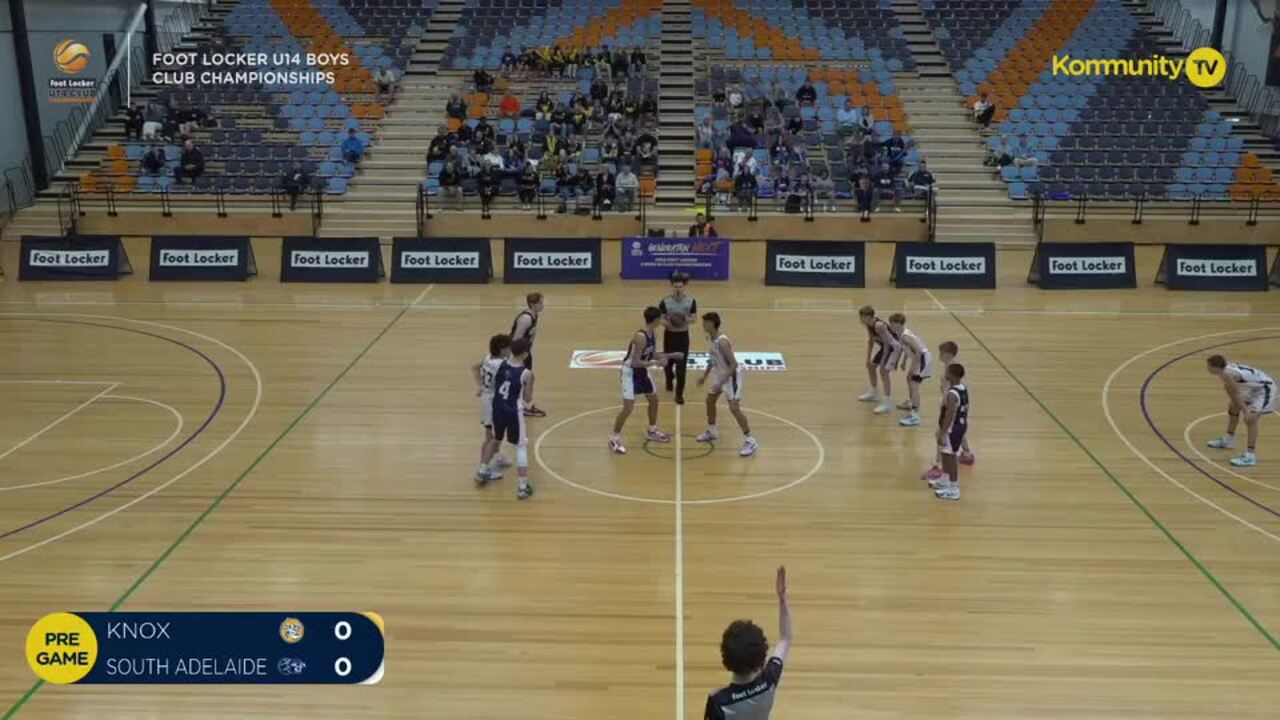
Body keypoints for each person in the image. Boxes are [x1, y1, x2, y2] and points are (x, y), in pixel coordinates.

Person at [705, 566, 791, 720]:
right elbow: (785, 639)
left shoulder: (719, 701)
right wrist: (782, 599)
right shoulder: (768, 681)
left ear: (726, 659)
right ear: (761, 660)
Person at [609, 306, 685, 454]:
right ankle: (614, 437)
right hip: (630, 372)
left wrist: (671, 355)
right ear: (656, 320)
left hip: (642, 371)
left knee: (654, 400)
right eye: (661, 319)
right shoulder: (640, 337)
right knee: (628, 408)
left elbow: (651, 354)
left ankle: (652, 430)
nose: (662, 321)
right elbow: (635, 362)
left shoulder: (653, 334)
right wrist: (657, 363)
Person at [695, 312, 757, 457]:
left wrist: (721, 383)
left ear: (711, 324)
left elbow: (734, 364)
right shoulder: (710, 338)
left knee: (734, 408)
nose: (703, 325)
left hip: (731, 378)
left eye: (705, 323)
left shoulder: (722, 342)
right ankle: (712, 430)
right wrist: (704, 376)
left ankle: (750, 440)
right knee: (710, 401)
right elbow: (712, 359)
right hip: (720, 376)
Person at [1206, 354, 1274, 467]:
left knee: (1250, 419)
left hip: (1264, 389)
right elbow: (1232, 394)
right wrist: (1241, 406)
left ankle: (1250, 456)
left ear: (1216, 367)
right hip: (1252, 387)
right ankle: (1228, 440)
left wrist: (1245, 410)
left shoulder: (1228, 374)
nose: (1207, 368)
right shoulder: (1224, 372)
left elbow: (1235, 393)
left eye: (1209, 366)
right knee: (1233, 406)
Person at [490, 338, 536, 500]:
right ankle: (522, 486)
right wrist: (531, 384)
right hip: (512, 410)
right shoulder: (526, 373)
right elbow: (528, 398)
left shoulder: (499, 364)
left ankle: (491, 469)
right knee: (521, 446)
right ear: (525, 354)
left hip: (497, 407)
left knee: (497, 439)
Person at [923, 342, 975, 482]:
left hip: (950, 405)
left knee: (941, 434)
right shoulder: (951, 367)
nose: (939, 356)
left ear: (949, 354)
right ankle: (967, 453)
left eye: (942, 353)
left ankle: (938, 466)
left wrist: (946, 404)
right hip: (954, 405)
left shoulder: (951, 370)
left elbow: (949, 390)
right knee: (959, 429)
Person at [471, 334, 513, 484]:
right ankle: (483, 469)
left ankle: (496, 457)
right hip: (493, 403)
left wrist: (480, 386)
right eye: (509, 348)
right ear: (502, 350)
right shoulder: (501, 365)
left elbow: (475, 368)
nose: (511, 350)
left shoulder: (489, 357)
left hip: (488, 399)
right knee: (491, 438)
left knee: (497, 434)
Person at [929, 363, 970, 501]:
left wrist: (943, 431)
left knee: (951, 457)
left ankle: (954, 488)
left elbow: (949, 415)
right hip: (959, 427)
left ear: (952, 375)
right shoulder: (962, 388)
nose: (945, 373)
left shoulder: (952, 394)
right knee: (945, 454)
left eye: (947, 371)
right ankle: (945, 480)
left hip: (953, 429)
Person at [660, 272, 697, 405]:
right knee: (667, 364)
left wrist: (683, 319)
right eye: (675, 287)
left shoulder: (690, 301)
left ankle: (679, 394)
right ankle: (669, 378)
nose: (678, 289)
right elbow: (661, 319)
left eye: (680, 287)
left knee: (682, 366)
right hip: (669, 336)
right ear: (672, 287)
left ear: (684, 287)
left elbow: (694, 318)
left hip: (682, 336)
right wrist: (669, 323)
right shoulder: (665, 302)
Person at [888, 313, 930, 427]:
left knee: (914, 384)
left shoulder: (906, 336)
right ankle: (911, 402)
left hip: (922, 360)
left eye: (892, 324)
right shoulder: (902, 334)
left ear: (898, 324)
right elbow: (907, 349)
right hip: (918, 359)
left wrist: (915, 366)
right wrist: (903, 362)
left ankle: (915, 416)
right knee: (909, 378)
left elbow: (919, 351)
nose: (891, 327)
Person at [857, 305, 900, 414]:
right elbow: (870, 340)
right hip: (885, 347)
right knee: (870, 366)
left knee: (883, 372)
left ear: (868, 317)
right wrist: (868, 358)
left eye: (861, 317)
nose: (860, 319)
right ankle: (873, 393)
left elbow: (887, 344)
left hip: (894, 348)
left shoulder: (879, 325)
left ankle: (887, 404)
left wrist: (882, 362)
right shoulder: (868, 324)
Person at [510, 293, 546, 417]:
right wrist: (517, 357)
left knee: (528, 379)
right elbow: (516, 338)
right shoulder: (526, 318)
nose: (542, 305)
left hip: (525, 352)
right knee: (527, 378)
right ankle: (525, 406)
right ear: (533, 304)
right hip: (518, 354)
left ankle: (524, 405)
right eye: (540, 303)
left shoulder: (535, 315)